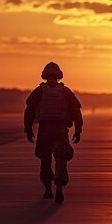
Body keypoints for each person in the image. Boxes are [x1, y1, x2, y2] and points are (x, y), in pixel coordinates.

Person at [24, 62, 83, 203]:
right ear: (59, 76)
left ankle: (47, 189)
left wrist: (28, 128)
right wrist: (78, 129)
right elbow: (76, 110)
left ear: (44, 75)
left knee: (45, 159)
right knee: (60, 158)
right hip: (60, 129)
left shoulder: (39, 91)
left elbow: (29, 110)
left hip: (44, 129)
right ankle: (59, 185)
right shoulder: (65, 91)